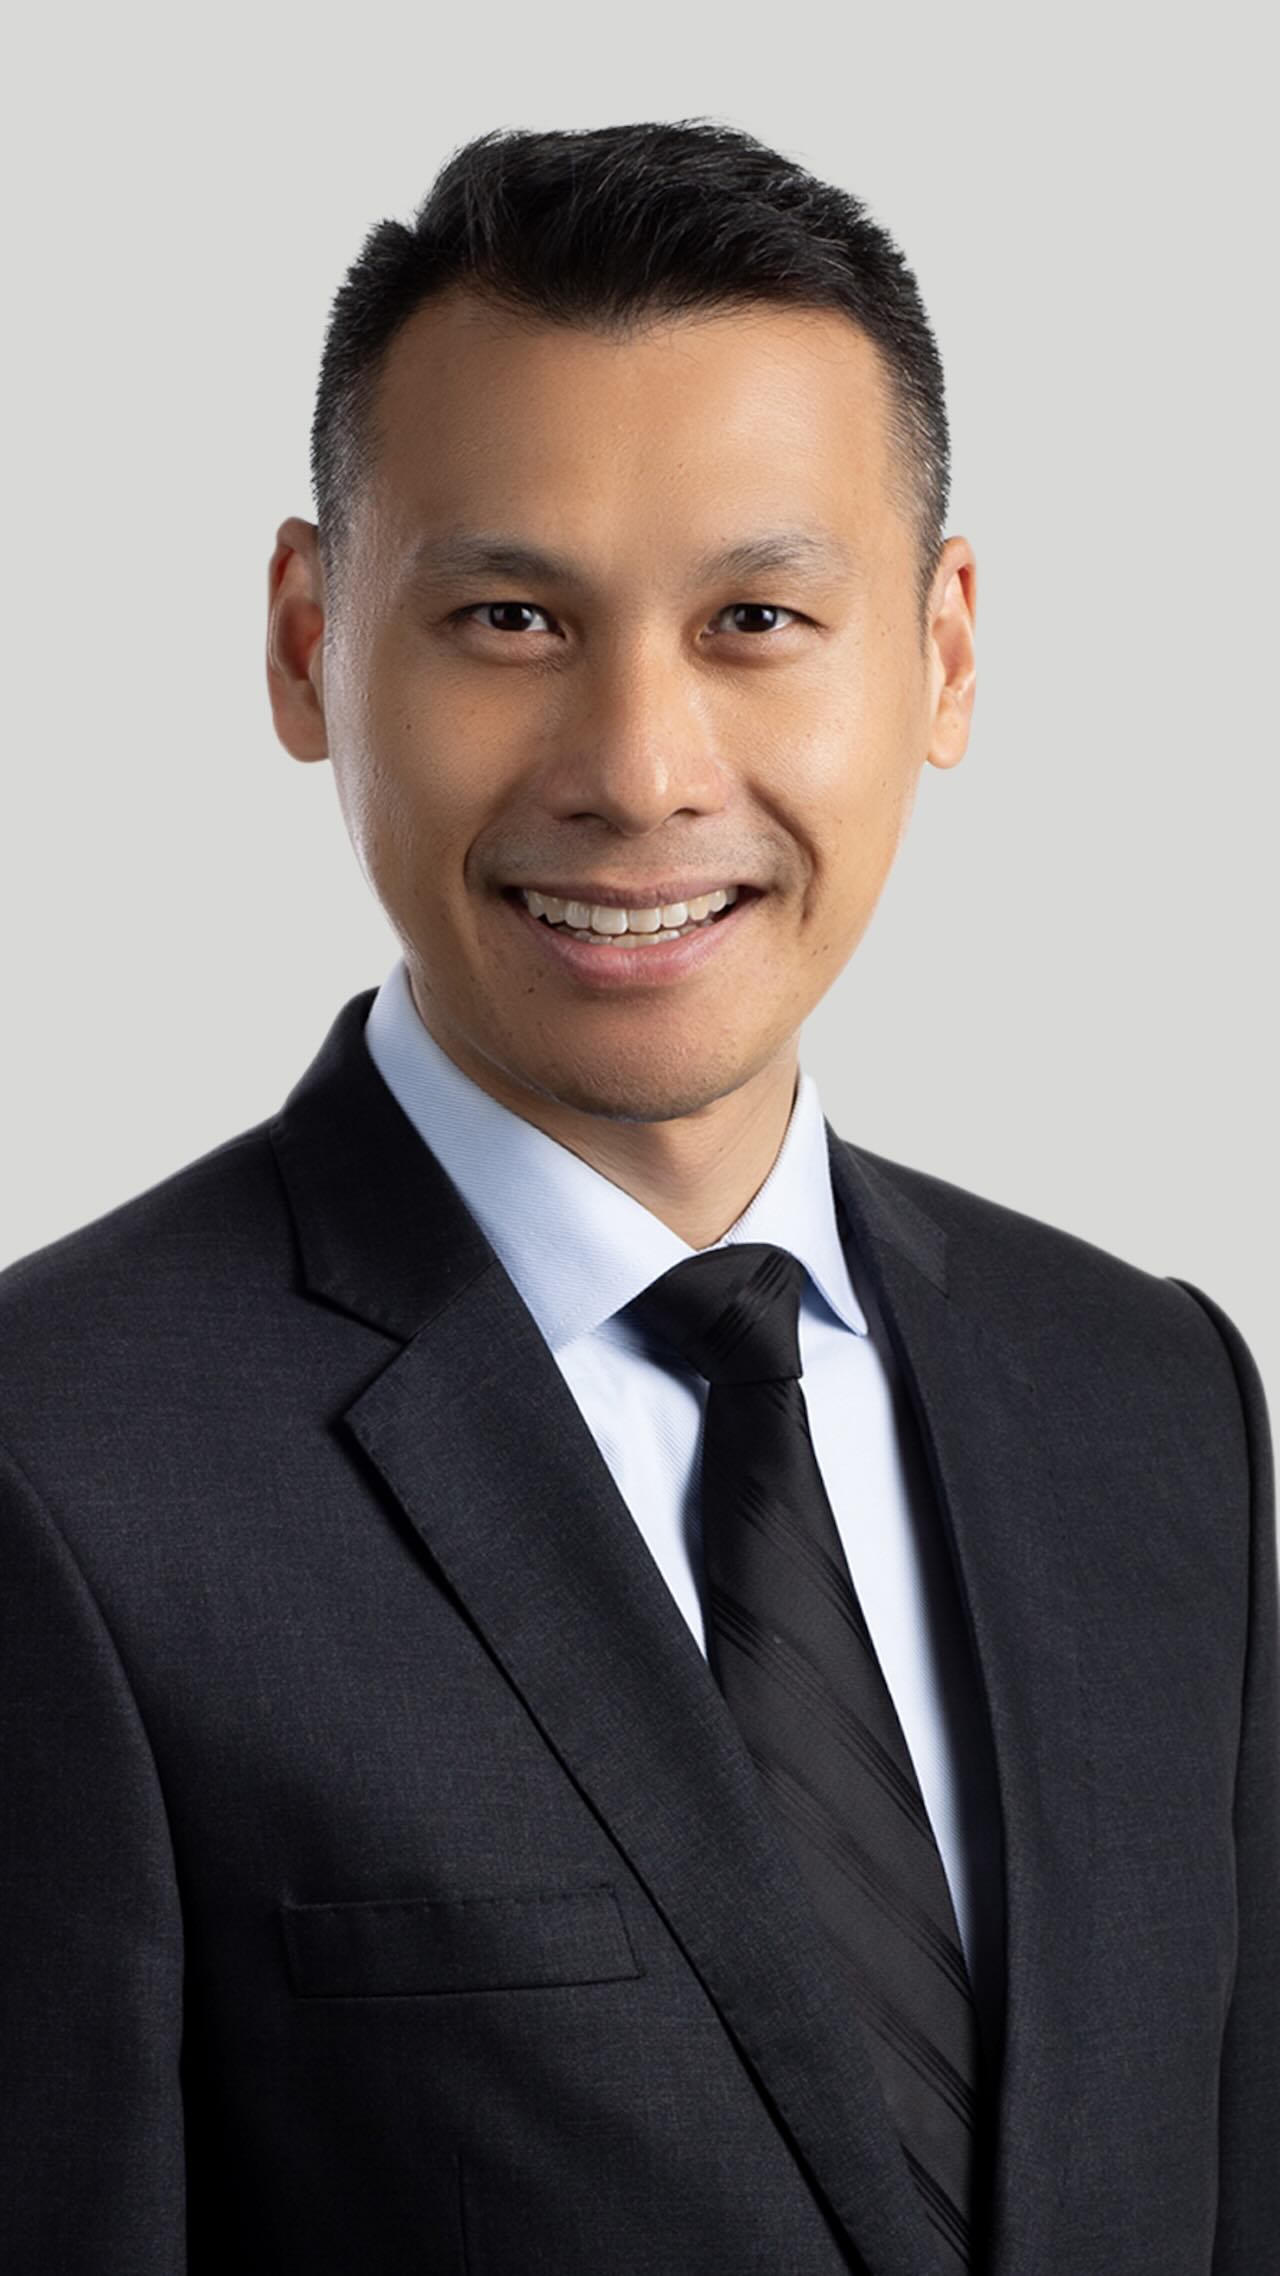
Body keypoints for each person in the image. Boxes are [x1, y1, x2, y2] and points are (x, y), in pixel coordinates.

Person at [0, 117, 1274, 2276]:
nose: (642, 767)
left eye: (757, 617)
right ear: (309, 643)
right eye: (511, 615)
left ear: (945, 654)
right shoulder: (58, 1466)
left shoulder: (1154, 1401)